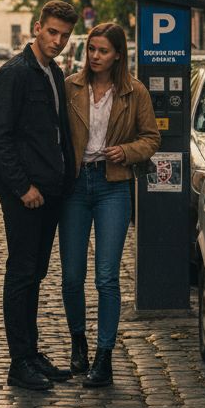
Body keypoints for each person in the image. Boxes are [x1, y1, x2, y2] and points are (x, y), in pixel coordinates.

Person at [0, 0, 79, 390]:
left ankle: (32, 353)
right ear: (37, 28)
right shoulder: (14, 74)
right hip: (25, 194)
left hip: (50, 191)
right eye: (52, 32)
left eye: (64, 35)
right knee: (22, 273)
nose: (57, 41)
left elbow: (56, 133)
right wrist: (23, 187)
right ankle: (19, 361)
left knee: (36, 273)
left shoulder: (53, 72)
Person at [60, 22, 160, 387]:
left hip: (112, 186)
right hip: (74, 186)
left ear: (118, 54)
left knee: (106, 276)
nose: (95, 56)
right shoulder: (70, 87)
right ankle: (78, 342)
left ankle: (104, 357)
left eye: (103, 51)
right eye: (91, 49)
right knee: (72, 276)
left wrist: (127, 151)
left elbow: (151, 138)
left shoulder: (134, 92)